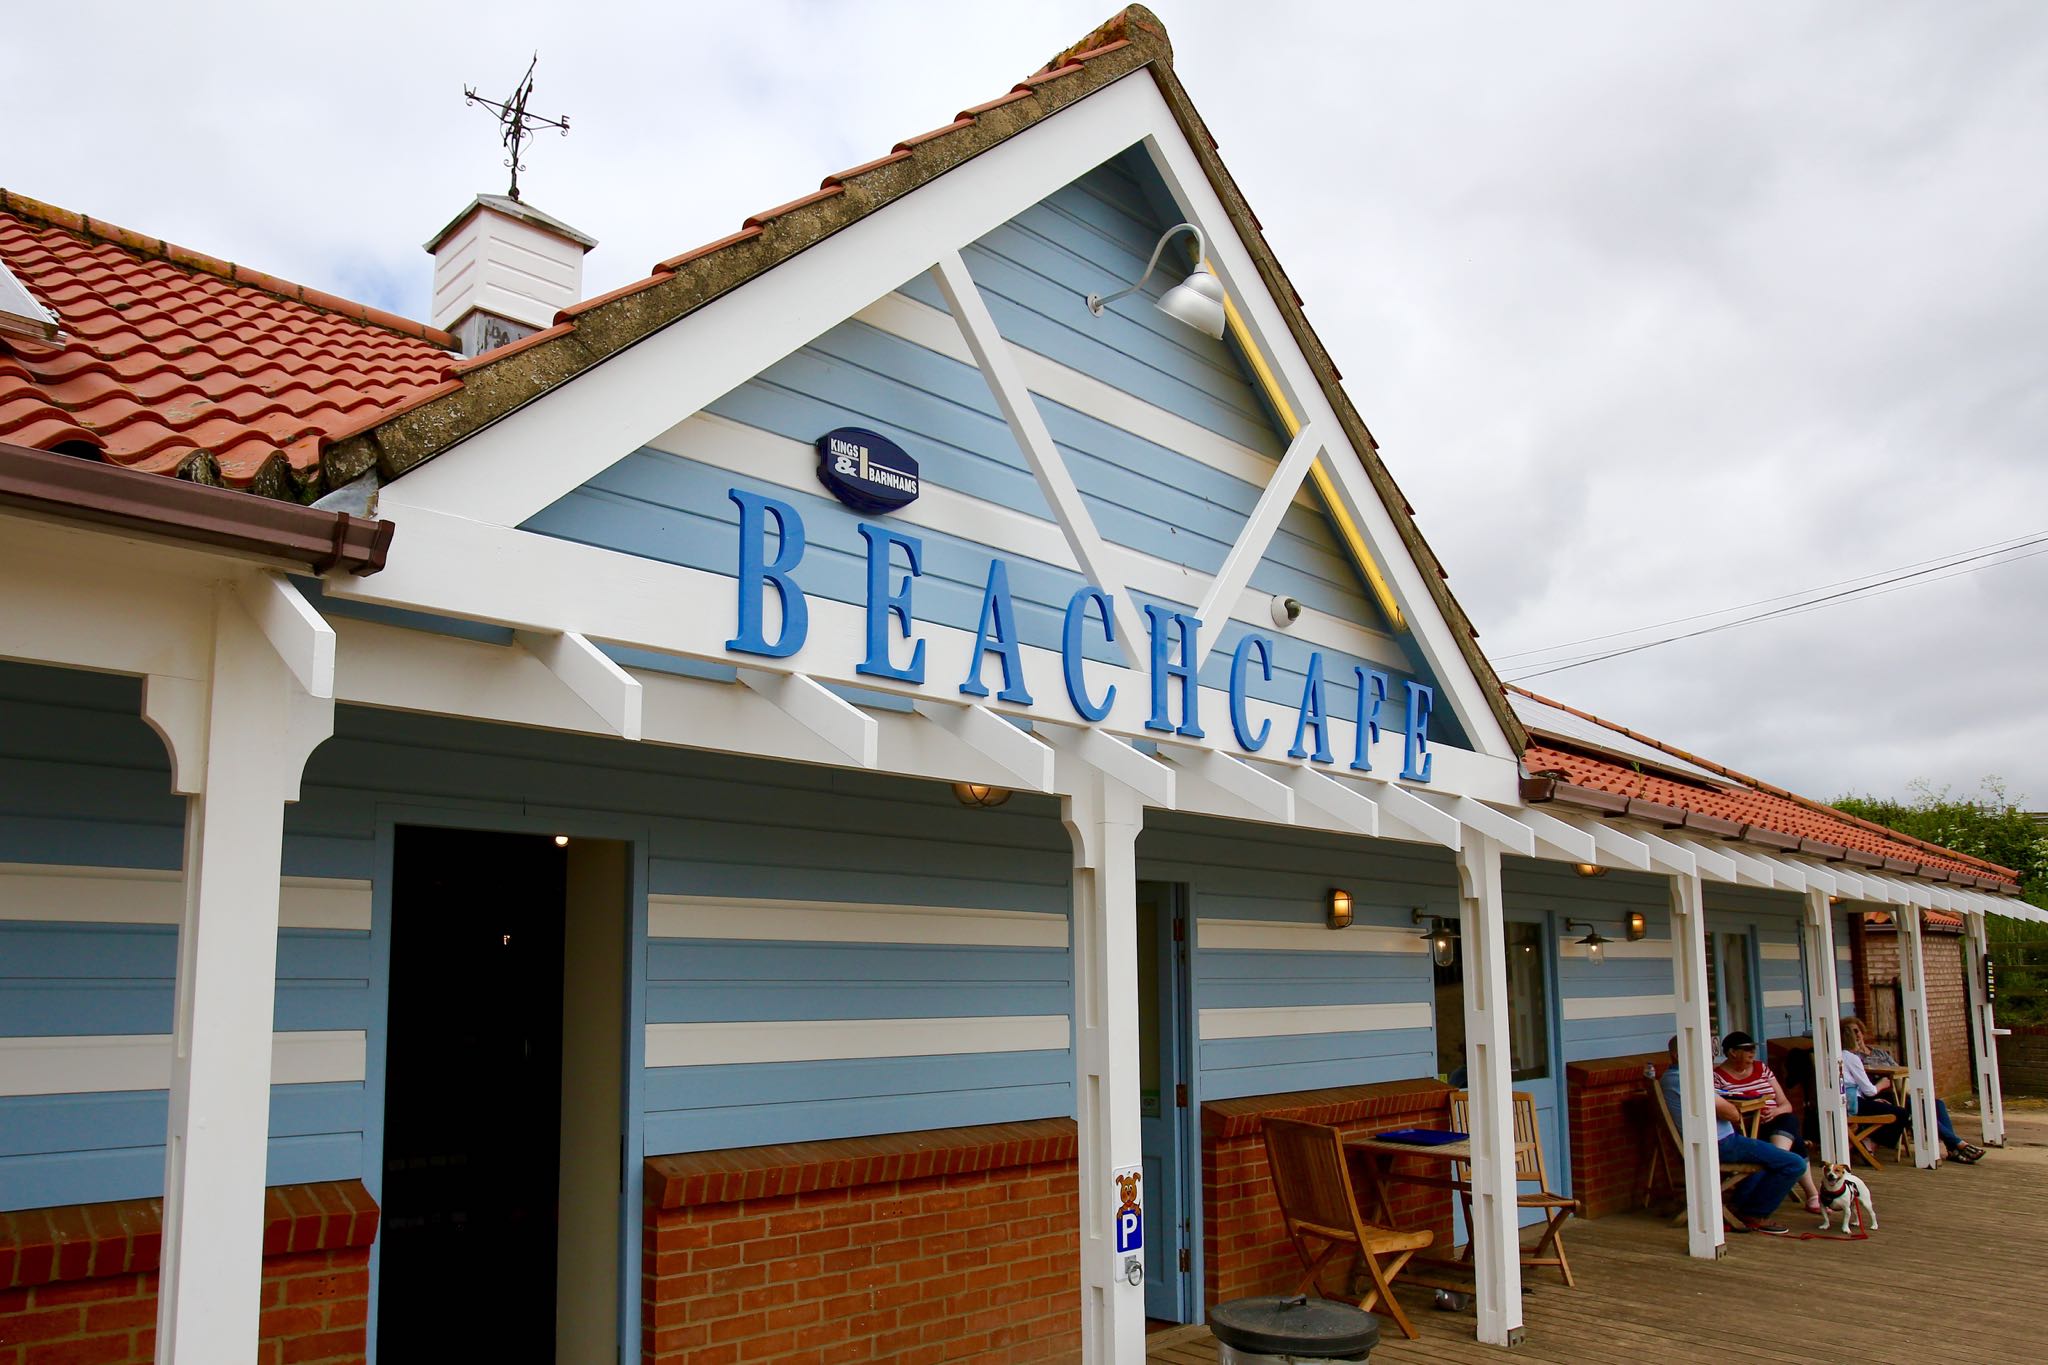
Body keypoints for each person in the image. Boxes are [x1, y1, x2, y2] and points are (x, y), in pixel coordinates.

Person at [1661, 1035, 1809, 1235]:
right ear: (1678, 1055)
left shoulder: (1674, 1078)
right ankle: (1755, 1213)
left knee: (1772, 1155)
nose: (1706, 1057)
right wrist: (1730, 1108)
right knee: (1794, 1163)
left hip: (1718, 1141)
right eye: (1699, 1052)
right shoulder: (1685, 1079)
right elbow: (1731, 1114)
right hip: (1722, 1144)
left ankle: (1740, 1206)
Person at [1840, 1016, 1986, 1163]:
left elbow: (1897, 1069)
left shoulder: (1879, 1053)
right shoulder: (1853, 1056)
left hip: (1898, 1089)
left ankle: (1951, 1147)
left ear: (1862, 1031)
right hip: (1880, 1093)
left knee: (1937, 1104)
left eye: (1857, 1030)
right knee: (1915, 1107)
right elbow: (1866, 1085)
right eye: (1851, 1032)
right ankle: (1957, 1144)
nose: (1856, 1034)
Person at [1714, 1032, 1823, 1214]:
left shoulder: (1762, 1069)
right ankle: (1810, 1192)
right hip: (1748, 1131)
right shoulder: (1717, 1077)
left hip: (1777, 1123)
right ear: (1732, 1052)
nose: (1753, 1053)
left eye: (1754, 1049)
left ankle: (1780, 1159)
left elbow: (1786, 1105)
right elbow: (1725, 1112)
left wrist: (1775, 1111)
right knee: (1792, 1135)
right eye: (1747, 1049)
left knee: (1788, 1121)